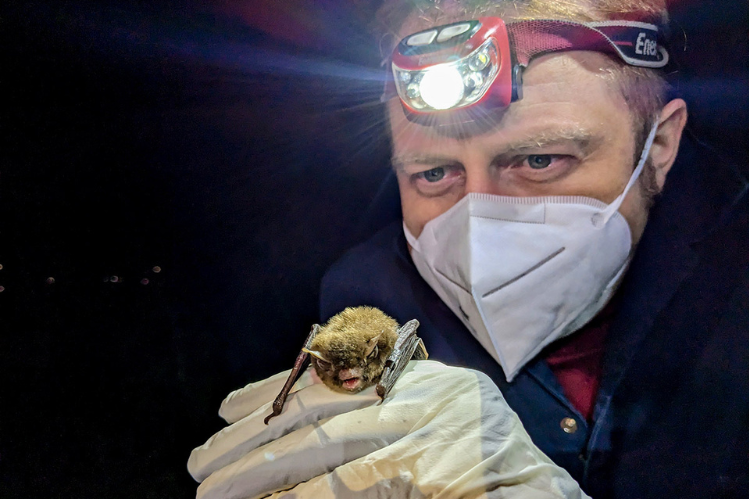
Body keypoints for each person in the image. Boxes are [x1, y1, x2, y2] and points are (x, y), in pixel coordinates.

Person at [190, 0, 749, 497]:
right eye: (433, 173)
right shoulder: (365, 289)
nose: (479, 222)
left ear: (661, 145)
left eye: (539, 161)